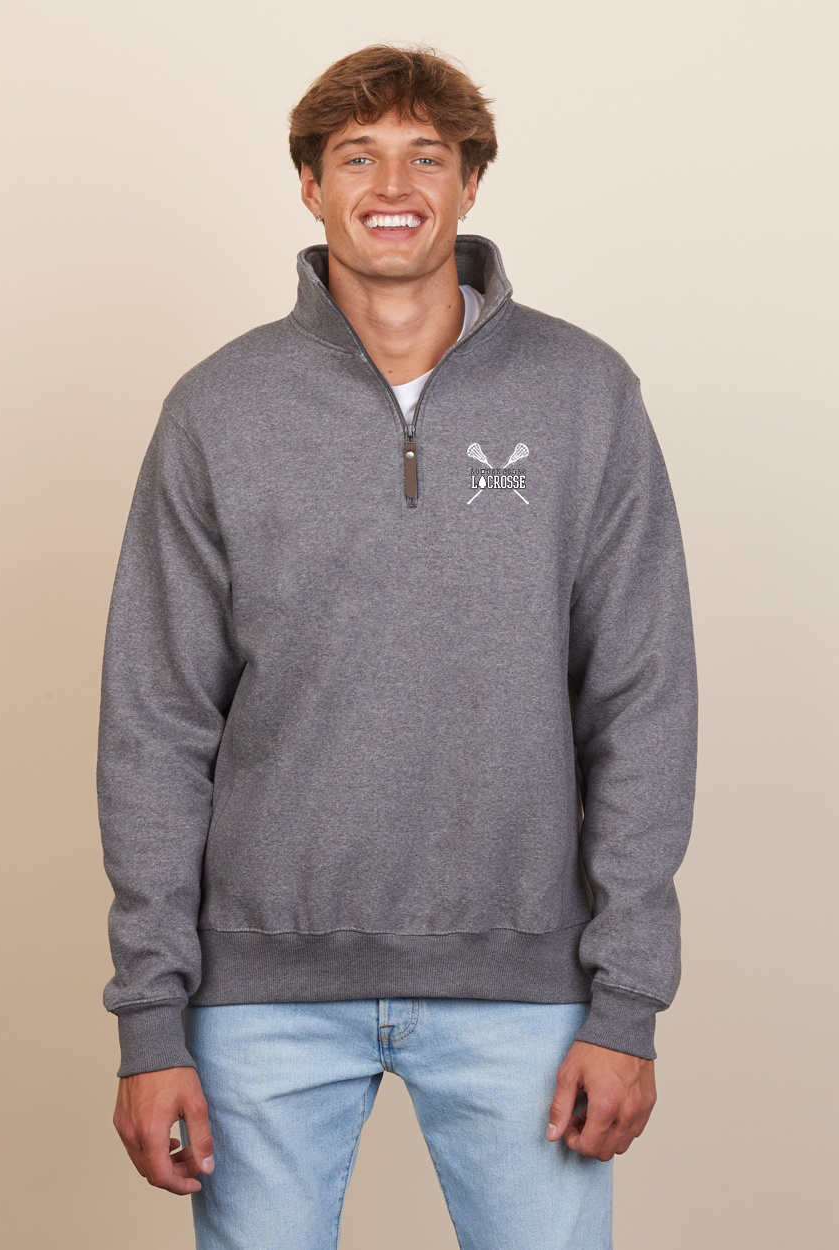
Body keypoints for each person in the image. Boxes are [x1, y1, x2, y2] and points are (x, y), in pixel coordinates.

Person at [97, 42, 698, 1250]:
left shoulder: (584, 395)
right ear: (309, 185)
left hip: (526, 989)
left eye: (427, 156)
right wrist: (150, 1022)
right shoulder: (216, 410)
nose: (391, 184)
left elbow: (641, 702)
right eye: (356, 156)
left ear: (469, 184)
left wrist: (625, 1000)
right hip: (257, 999)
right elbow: (155, 721)